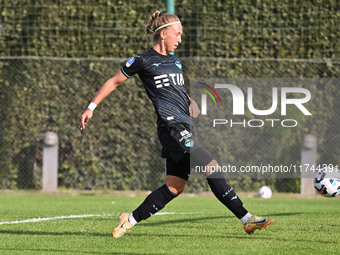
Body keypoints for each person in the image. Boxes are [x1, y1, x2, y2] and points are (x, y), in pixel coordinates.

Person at [79, 11, 273, 238]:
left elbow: (177, 91)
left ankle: (128, 220)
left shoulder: (176, 62)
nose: (180, 39)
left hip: (184, 127)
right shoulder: (143, 61)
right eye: (177, 34)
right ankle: (246, 219)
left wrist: (189, 101)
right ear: (163, 34)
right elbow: (114, 81)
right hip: (171, 128)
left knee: (174, 186)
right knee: (211, 166)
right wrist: (91, 107)